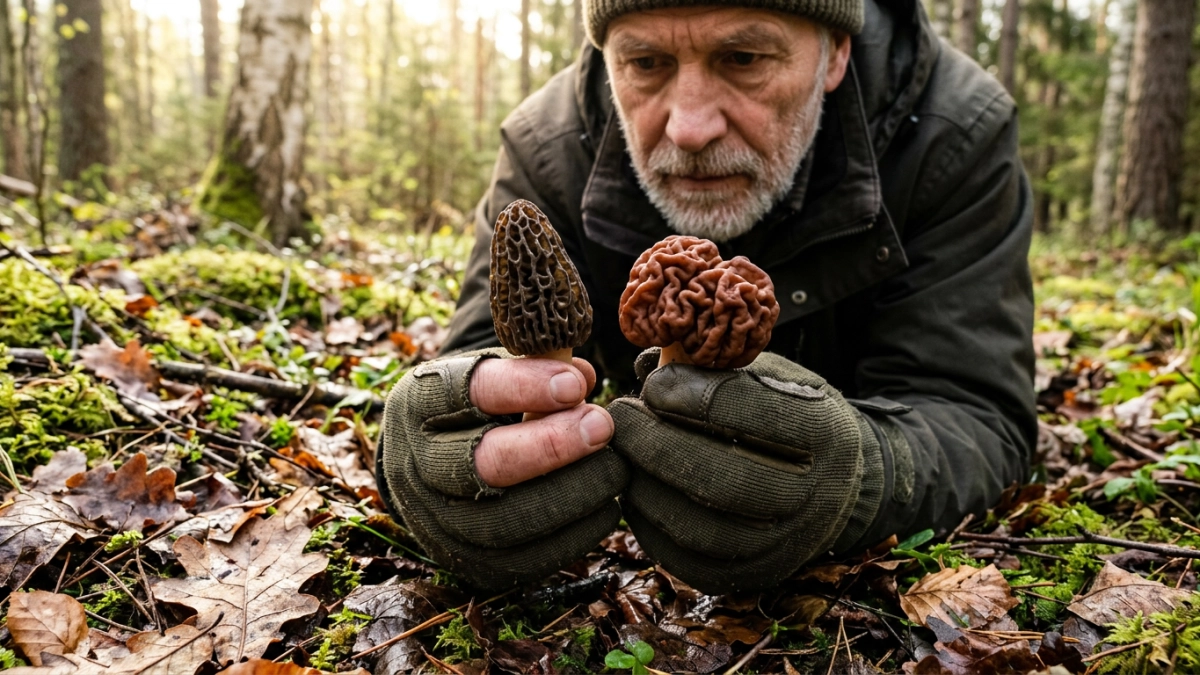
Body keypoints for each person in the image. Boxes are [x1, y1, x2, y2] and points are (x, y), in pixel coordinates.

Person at [376, 0, 1036, 593]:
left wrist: (862, 478)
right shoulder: (547, 150)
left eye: (744, 58)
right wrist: (435, 464)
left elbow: (973, 409)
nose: (690, 127)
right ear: (608, 59)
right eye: (645, 61)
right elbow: (477, 369)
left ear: (835, 52)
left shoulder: (954, 133)